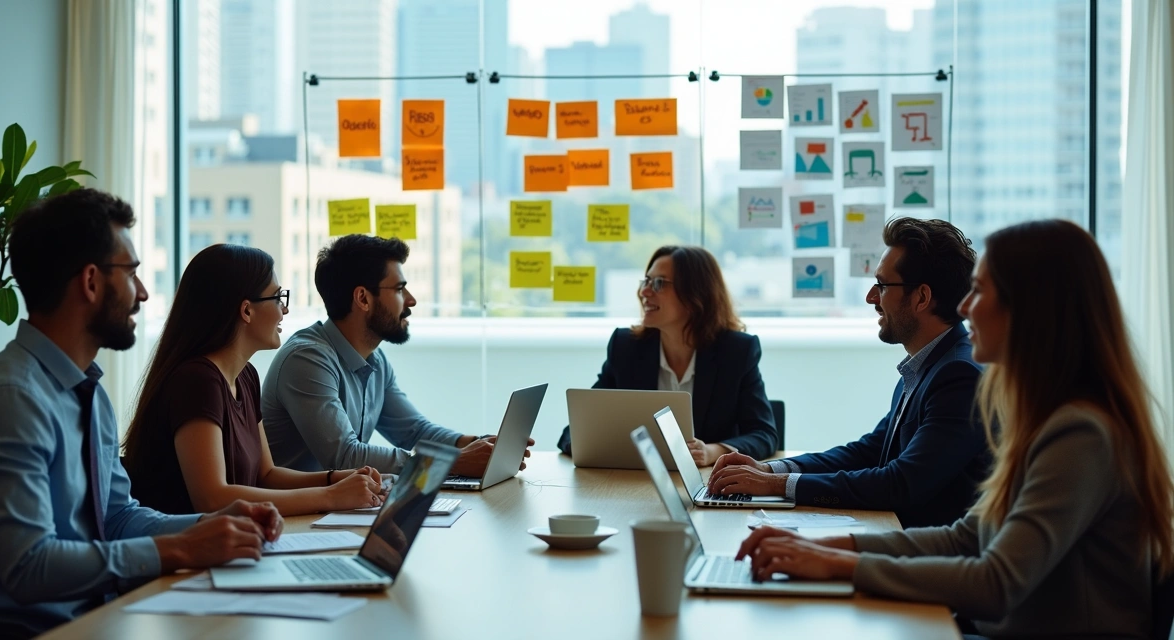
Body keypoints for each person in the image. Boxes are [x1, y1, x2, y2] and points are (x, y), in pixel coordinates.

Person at [736, 219, 1174, 638]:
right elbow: (967, 535)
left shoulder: (1080, 432)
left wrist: (837, 563)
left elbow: (997, 581)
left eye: (980, 291)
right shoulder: (1043, 415)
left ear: (1031, 309)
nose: (964, 307)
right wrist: (832, 546)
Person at [0, 190, 282, 638]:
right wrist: (181, 549)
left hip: (99, 618)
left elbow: (118, 517)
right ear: (91, 282)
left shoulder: (88, 392)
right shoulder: (10, 399)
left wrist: (215, 524)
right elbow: (29, 567)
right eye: (131, 273)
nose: (144, 293)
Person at [709, 217, 990, 527]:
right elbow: (869, 451)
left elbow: (901, 483)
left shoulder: (959, 376)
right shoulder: (929, 365)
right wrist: (771, 471)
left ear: (922, 297)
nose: (871, 297)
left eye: (882, 286)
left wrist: (776, 486)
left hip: (930, 559)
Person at [122, 245, 387, 517]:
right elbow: (212, 499)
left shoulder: (245, 376)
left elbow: (267, 475)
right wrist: (330, 497)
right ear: (246, 311)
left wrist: (335, 479)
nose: (284, 309)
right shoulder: (198, 381)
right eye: (277, 297)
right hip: (189, 554)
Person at [262, 234, 531, 476]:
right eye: (400, 289)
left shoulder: (374, 361)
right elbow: (344, 456)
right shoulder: (307, 360)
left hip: (338, 510)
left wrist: (479, 445)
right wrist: (453, 461)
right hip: (293, 521)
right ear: (363, 299)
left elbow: (414, 431)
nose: (411, 300)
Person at [556, 245, 778, 464]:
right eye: (646, 281)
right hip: (635, 483)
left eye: (659, 283)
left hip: (710, 484)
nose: (644, 292)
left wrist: (712, 452)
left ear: (695, 295)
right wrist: (583, 444)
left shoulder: (736, 351)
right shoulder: (626, 348)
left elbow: (764, 434)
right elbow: (577, 430)